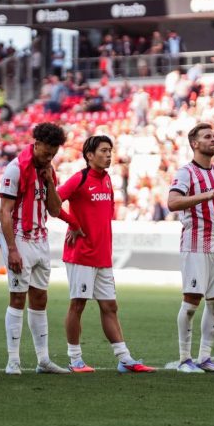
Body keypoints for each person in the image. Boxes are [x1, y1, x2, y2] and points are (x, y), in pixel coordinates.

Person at [57, 135, 155, 374]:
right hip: (81, 254)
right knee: (77, 305)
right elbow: (53, 201)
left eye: (110, 150)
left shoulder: (108, 179)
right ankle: (75, 359)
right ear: (89, 155)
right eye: (103, 150)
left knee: (110, 306)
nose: (109, 155)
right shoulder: (79, 179)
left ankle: (124, 358)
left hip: (102, 255)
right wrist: (72, 223)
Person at [167, 123, 214, 374]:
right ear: (195, 144)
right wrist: (207, 195)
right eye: (207, 137)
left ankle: (205, 358)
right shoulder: (186, 173)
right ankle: (184, 359)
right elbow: (173, 202)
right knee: (191, 301)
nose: (213, 140)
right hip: (195, 244)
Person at [0, 122, 70, 375]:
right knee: (18, 297)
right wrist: (11, 249)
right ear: (36, 144)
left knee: (40, 298)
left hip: (41, 239)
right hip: (19, 238)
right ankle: (13, 360)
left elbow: (53, 209)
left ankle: (43, 360)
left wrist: (51, 182)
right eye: (45, 152)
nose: (49, 156)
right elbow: (5, 212)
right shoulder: (16, 168)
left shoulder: (49, 170)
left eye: (53, 153)